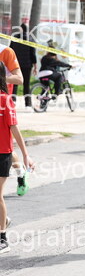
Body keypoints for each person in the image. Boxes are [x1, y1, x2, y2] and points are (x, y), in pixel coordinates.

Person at [0, 61, 34, 254]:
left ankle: (3, 239)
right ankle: (3, 220)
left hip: (2, 153)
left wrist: (26, 155)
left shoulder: (5, 100)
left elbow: (15, 129)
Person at [0, 44, 27, 196]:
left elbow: (19, 79)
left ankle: (20, 173)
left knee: (6, 148)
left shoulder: (6, 52)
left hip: (3, 105)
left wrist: (1, 78)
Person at [10, 24, 36, 111]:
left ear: (20, 29)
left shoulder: (15, 38)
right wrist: (35, 66)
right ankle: (27, 105)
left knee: (15, 83)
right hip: (27, 65)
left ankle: (13, 101)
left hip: (15, 64)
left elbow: (10, 50)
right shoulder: (30, 39)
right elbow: (33, 54)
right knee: (26, 84)